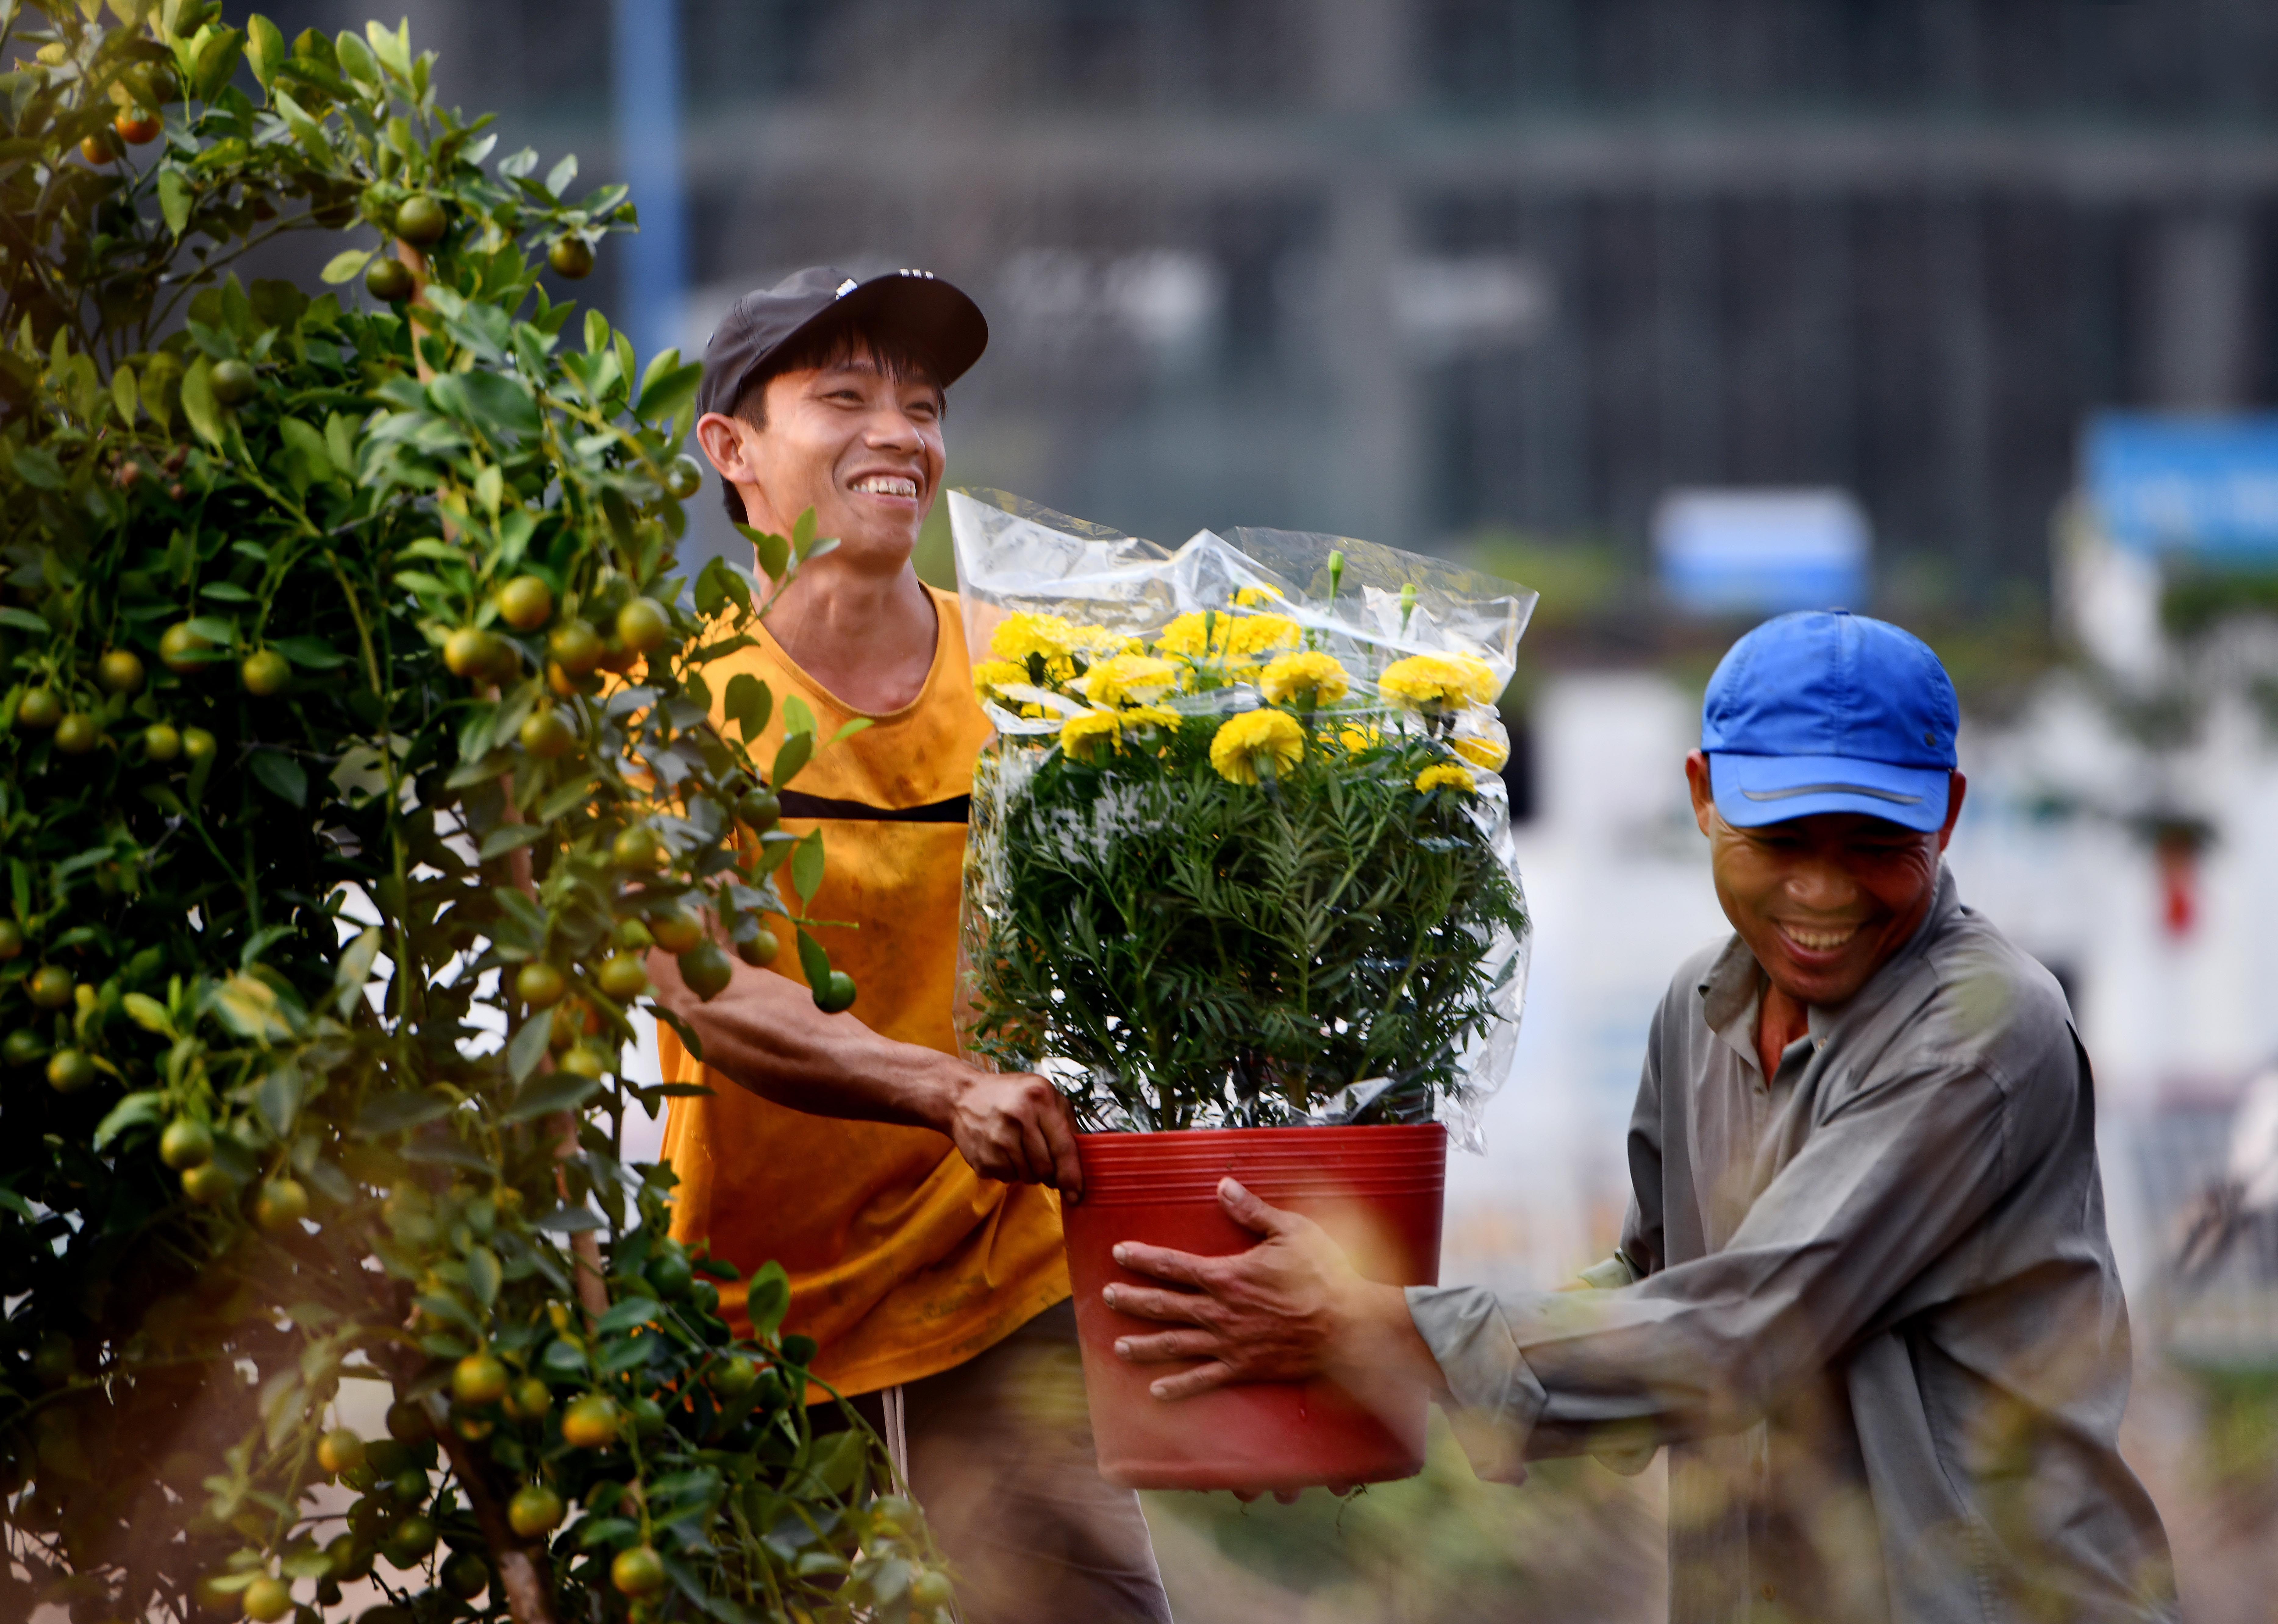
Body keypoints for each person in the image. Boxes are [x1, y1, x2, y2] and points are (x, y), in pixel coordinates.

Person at [1103, 610, 2180, 1622]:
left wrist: (1368, 1325)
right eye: (1784, 841)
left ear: (1945, 815)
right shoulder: (1699, 1011)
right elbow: (1650, 1291)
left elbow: (1738, 1331)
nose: (1824, 893)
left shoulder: (1981, 1034)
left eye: (1873, 846)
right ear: (1704, 797)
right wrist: (1358, 1376)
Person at [646, 266, 1172, 1624]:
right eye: (843, 396)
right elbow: (706, 991)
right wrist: (947, 1092)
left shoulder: (1029, 678)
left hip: (1001, 1304)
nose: (900, 431)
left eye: (923, 404)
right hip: (751, 1325)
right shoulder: (663, 711)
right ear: (732, 452)